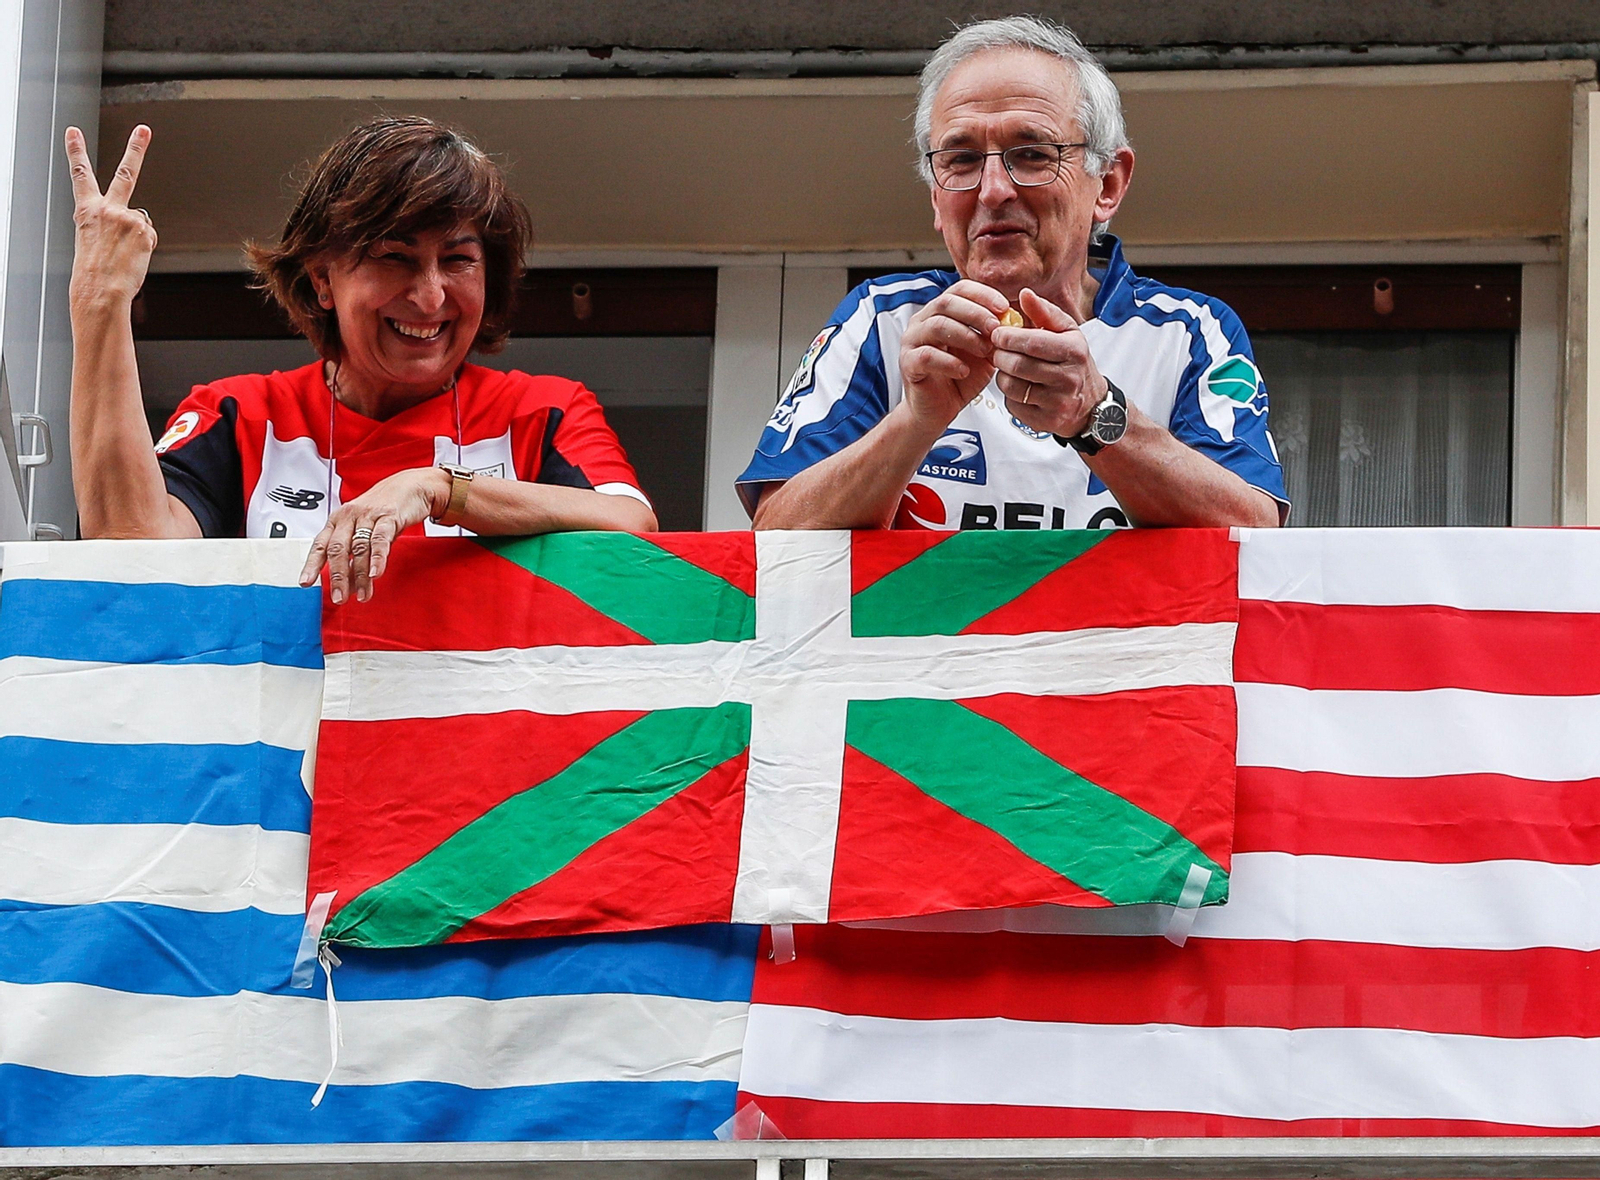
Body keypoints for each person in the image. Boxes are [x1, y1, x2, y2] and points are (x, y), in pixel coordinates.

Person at [65, 115, 655, 603]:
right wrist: (100, 303)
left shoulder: (543, 409)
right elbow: (131, 548)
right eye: (394, 257)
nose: (431, 297)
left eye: (458, 260)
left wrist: (437, 489)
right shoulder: (239, 413)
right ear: (323, 278)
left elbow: (632, 525)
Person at [737, 16, 1287, 532]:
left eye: (1031, 154)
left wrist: (1096, 413)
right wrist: (915, 422)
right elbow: (774, 534)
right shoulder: (882, 319)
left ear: (1108, 184)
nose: (993, 190)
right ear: (935, 197)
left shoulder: (1189, 330)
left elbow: (1255, 530)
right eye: (961, 160)